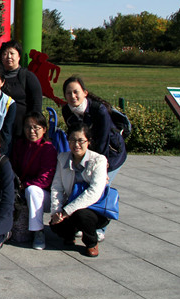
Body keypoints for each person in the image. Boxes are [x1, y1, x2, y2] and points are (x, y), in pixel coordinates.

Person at [50, 123, 110, 257]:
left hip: (95, 209)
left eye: (80, 140)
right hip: (71, 205)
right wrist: (56, 211)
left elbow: (94, 192)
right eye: (72, 140)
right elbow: (57, 187)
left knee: (81, 215)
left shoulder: (99, 160)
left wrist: (67, 211)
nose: (76, 144)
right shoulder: (63, 158)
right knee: (56, 224)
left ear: (88, 141)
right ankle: (69, 234)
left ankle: (91, 243)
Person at [61, 76, 127, 180]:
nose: (73, 96)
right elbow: (75, 136)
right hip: (89, 154)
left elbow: (103, 141)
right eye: (69, 93)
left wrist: (101, 167)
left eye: (76, 92)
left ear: (85, 93)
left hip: (110, 153)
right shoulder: (67, 111)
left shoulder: (99, 110)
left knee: (100, 185)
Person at [11, 111, 57, 250]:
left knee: (32, 190)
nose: (32, 131)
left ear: (44, 129)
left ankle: (38, 231)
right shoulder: (20, 145)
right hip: (22, 190)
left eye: (36, 127)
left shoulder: (48, 149)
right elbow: (13, 168)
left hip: (44, 195)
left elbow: (45, 179)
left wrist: (25, 185)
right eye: (28, 127)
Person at [0, 40, 43, 139]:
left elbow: (36, 104)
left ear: (19, 56)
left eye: (12, 53)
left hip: (22, 131)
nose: (8, 57)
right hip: (0, 130)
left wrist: (32, 127)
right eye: (5, 54)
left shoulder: (28, 77)